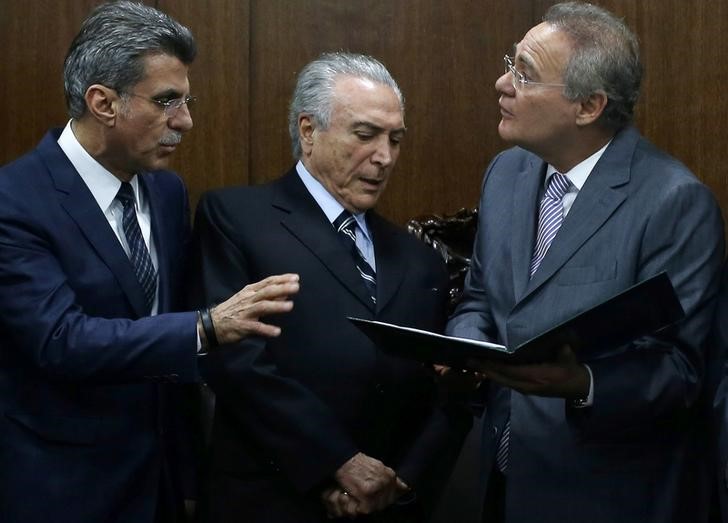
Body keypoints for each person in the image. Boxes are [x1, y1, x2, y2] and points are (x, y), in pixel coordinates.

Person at [0, 2, 298, 522]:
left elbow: (164, 347)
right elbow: (60, 341)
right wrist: (206, 327)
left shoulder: (164, 190)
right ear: (103, 103)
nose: (185, 121)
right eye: (167, 102)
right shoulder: (15, 201)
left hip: (159, 484)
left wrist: (185, 475)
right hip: (62, 489)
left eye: (186, 101)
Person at [445, 2, 724, 523]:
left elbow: (681, 371)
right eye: (511, 63)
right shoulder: (506, 172)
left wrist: (582, 384)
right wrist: (465, 342)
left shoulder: (675, 202)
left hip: (601, 493)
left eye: (524, 75)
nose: (501, 84)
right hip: (499, 478)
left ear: (589, 106)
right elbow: (482, 295)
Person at [190, 51, 472, 523]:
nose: (384, 157)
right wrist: (335, 464)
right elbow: (234, 363)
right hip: (270, 500)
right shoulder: (236, 219)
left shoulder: (418, 259)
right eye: (365, 135)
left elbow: (443, 390)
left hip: (387, 505)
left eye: (395, 139)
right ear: (308, 131)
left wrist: (398, 481)